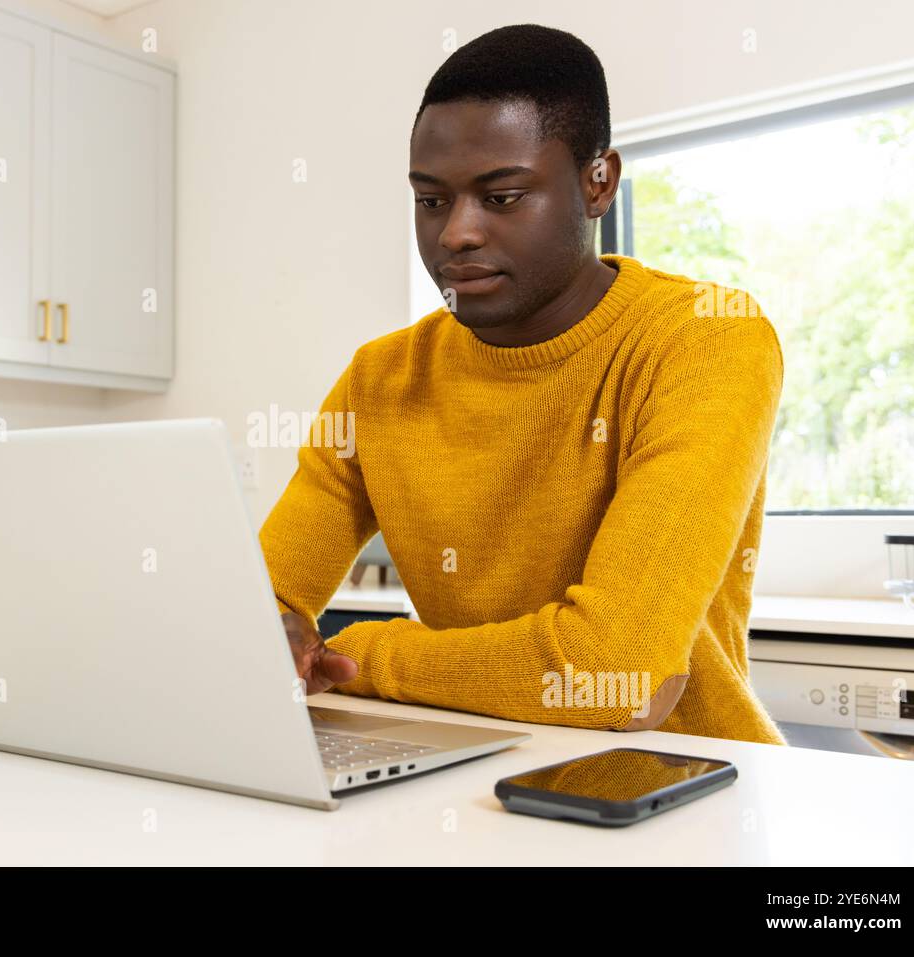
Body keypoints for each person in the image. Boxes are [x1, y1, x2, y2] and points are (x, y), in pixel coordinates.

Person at [261, 23, 786, 744]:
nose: (455, 235)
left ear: (598, 183)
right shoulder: (379, 377)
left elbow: (619, 673)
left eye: (501, 197)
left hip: (684, 787)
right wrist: (277, 629)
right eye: (432, 200)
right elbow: (260, 602)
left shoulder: (704, 339)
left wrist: (365, 653)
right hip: (478, 771)